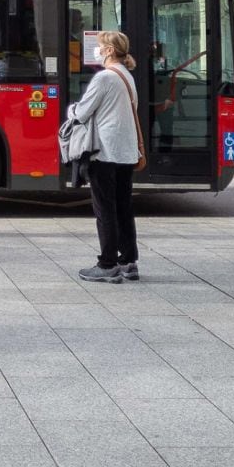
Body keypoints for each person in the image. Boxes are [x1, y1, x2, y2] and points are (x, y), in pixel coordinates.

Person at [71, 30, 142, 284]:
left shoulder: (104, 78)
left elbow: (81, 112)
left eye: (100, 46)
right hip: (125, 151)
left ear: (110, 50)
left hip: (104, 152)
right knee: (123, 206)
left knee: (105, 209)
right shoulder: (126, 76)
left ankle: (108, 263)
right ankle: (129, 261)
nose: (97, 50)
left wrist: (71, 110)